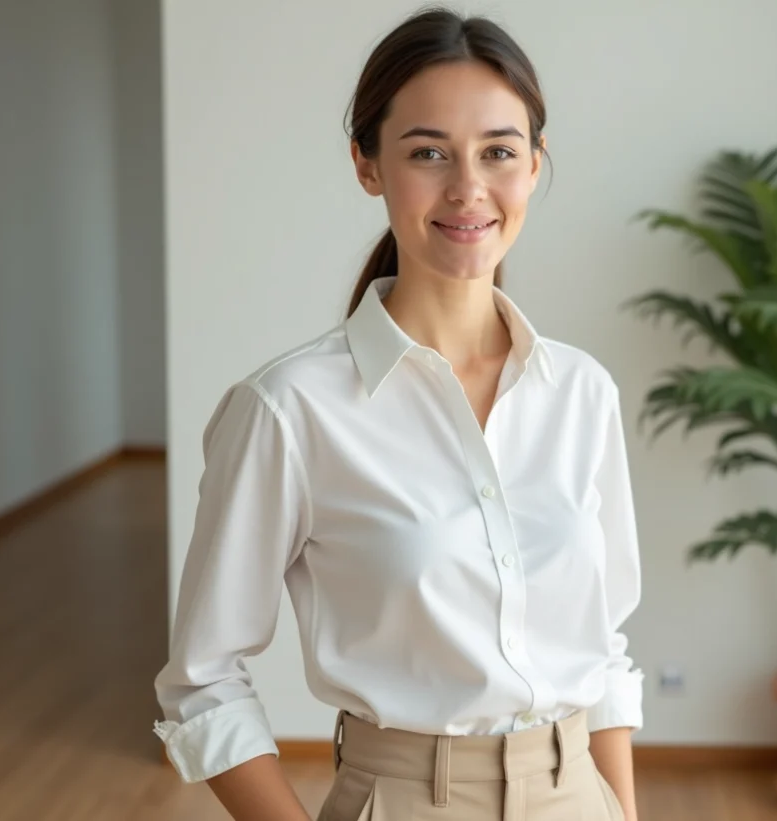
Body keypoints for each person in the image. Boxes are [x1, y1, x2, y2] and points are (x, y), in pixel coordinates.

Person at [151, 8, 643, 821]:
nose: (467, 188)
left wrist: (623, 811)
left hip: (577, 792)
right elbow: (201, 680)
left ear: (535, 161)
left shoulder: (582, 393)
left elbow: (608, 646)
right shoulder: (288, 410)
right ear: (367, 164)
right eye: (427, 153)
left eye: (498, 151)